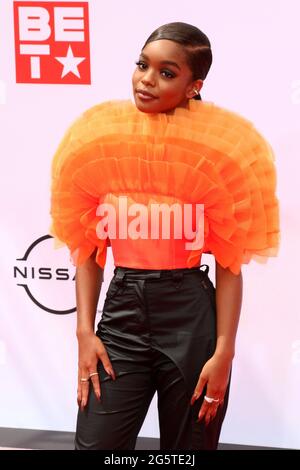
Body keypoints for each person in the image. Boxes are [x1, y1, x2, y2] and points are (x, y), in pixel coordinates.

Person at [49, 22, 280, 450]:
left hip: (191, 318)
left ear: (194, 86)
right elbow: (89, 247)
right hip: (121, 317)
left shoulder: (223, 151)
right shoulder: (97, 139)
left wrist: (224, 353)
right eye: (142, 65)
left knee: (189, 447)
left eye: (167, 72)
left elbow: (230, 266)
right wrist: (84, 331)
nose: (147, 80)